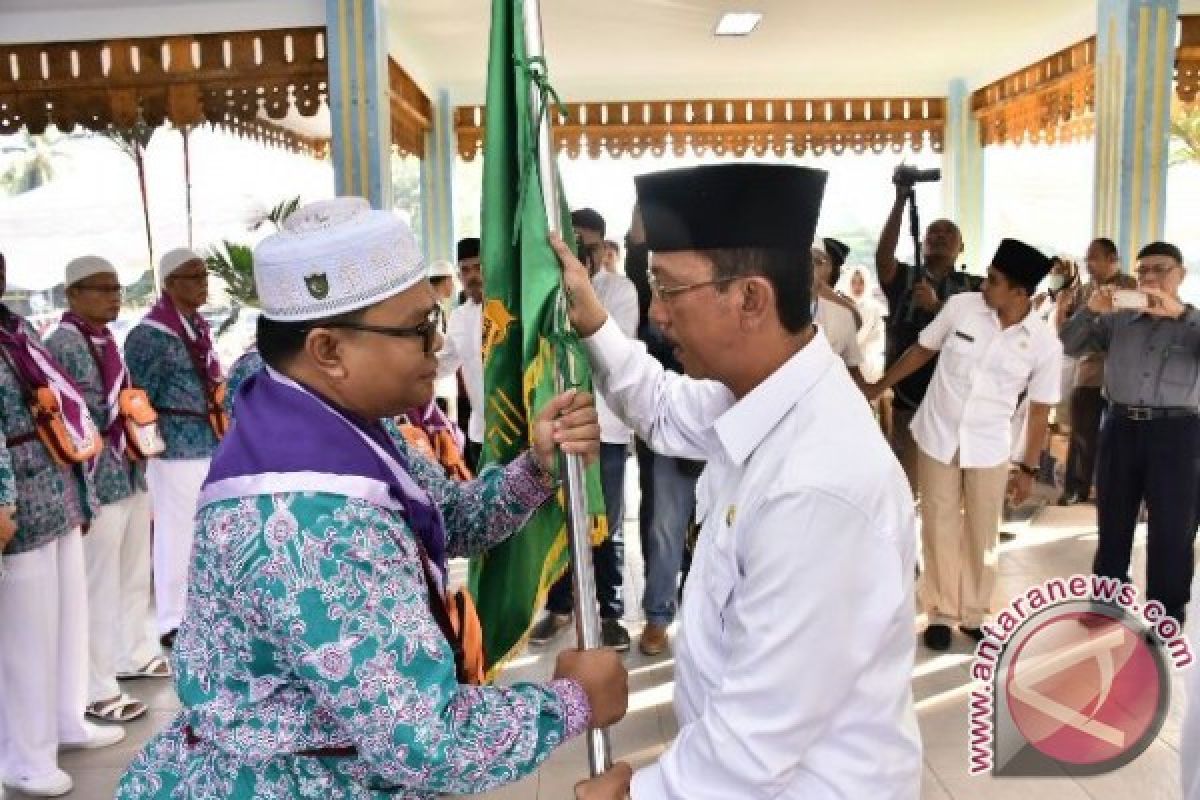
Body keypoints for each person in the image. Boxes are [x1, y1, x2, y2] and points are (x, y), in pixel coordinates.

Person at [116, 198, 629, 799]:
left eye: (433, 320)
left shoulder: (334, 420)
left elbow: (446, 518)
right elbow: (426, 743)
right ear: (328, 350)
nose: (437, 347)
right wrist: (569, 703)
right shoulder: (308, 514)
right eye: (416, 331)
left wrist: (535, 468)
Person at [552, 164, 921, 798]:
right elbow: (662, 407)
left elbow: (757, 738)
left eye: (669, 290)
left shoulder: (817, 484)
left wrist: (635, 794)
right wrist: (592, 322)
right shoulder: (758, 397)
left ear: (751, 297)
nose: (657, 314)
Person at [868, 239, 1063, 651]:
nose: (984, 286)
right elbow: (921, 350)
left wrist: (1027, 469)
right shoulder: (961, 309)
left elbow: (1042, 411)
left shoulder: (1044, 343)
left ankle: (974, 613)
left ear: (1020, 293)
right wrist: (877, 387)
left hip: (990, 446)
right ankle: (939, 611)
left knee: (982, 530)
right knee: (938, 522)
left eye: (994, 281)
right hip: (939, 434)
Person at [0, 251, 125, 798]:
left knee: (65, 618)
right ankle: (23, 758)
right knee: (24, 635)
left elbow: (59, 409)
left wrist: (83, 491)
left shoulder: (15, 329)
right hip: (18, 501)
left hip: (55, 488)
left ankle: (64, 721)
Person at [46, 257, 168, 730]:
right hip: (99, 480)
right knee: (99, 586)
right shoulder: (65, 342)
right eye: (101, 288)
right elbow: (76, 418)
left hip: (129, 472)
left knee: (134, 574)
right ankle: (96, 689)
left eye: (116, 287)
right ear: (73, 293)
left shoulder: (104, 338)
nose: (114, 296)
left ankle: (131, 654)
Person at [1060, 241, 1200, 626]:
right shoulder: (1118, 319)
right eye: (1144, 271)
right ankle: (1107, 604)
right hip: (1120, 426)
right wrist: (1091, 310)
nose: (1151, 278)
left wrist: (1182, 314)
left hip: (1177, 432)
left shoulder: (1192, 322)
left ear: (1180, 275)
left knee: (1173, 527)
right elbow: (1069, 344)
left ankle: (1166, 613)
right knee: (1113, 521)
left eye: (1160, 269)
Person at [530, 210, 639, 652]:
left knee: (605, 522)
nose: (582, 254)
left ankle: (609, 611)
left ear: (602, 247)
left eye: (588, 246)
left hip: (605, 429)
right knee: (558, 516)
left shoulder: (620, 291)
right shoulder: (546, 293)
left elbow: (616, 351)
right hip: (559, 425)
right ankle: (560, 607)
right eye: (572, 245)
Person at [124, 247, 225, 648]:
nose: (203, 284)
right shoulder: (150, 334)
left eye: (204, 276)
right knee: (176, 534)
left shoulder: (197, 327)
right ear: (169, 284)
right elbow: (137, 397)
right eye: (193, 277)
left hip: (208, 441)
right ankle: (173, 618)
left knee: (205, 534)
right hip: (172, 449)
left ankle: (205, 613)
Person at [622, 207, 702, 658]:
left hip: (720, 422)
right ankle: (657, 617)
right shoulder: (649, 298)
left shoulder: (713, 294)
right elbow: (638, 251)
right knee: (664, 525)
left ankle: (708, 612)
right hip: (671, 425)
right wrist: (644, 200)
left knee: (716, 525)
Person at [876, 185, 980, 493]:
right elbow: (883, 256)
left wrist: (936, 307)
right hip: (909, 395)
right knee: (908, 479)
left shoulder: (973, 287)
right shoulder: (904, 277)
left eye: (949, 234)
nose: (940, 237)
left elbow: (978, 331)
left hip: (955, 397)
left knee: (949, 483)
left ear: (962, 248)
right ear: (922, 243)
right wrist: (899, 202)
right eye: (933, 233)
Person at [1054, 238, 1137, 505]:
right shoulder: (1084, 291)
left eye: (1094, 257)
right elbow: (1071, 332)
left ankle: (1115, 492)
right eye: (1087, 257)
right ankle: (1075, 489)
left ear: (1112, 258)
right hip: (1087, 371)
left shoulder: (1132, 287)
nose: (1088, 264)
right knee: (1081, 435)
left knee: (1121, 438)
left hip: (1122, 374)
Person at [436, 238, 484, 469]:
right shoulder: (459, 317)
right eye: (465, 270)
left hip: (518, 431)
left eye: (478, 267)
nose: (472, 276)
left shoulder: (515, 311)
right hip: (479, 433)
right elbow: (442, 363)